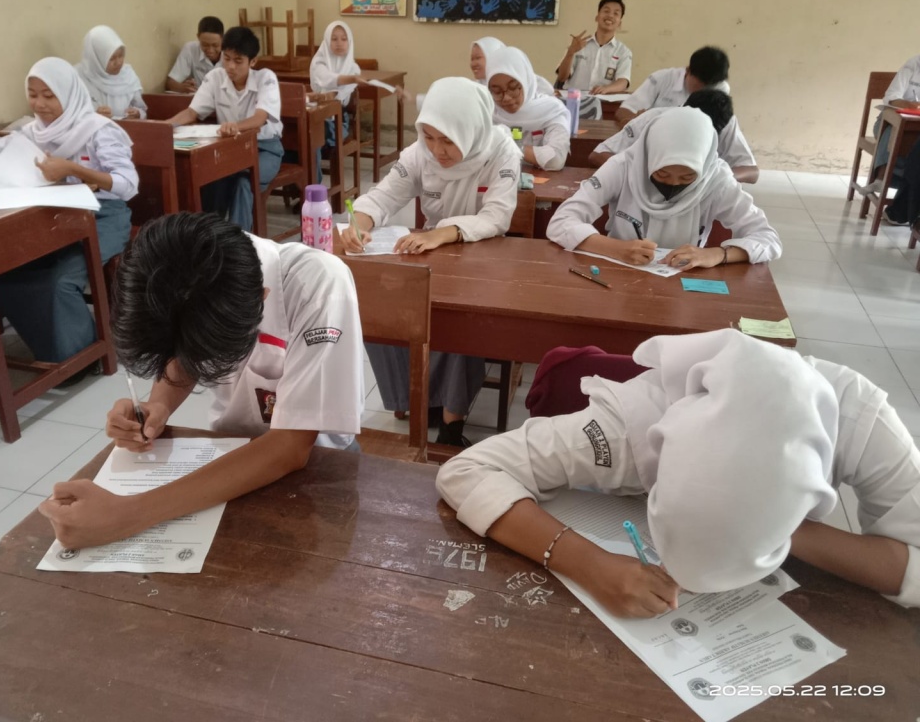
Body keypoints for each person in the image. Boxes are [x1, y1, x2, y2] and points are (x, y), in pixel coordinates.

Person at [436, 328, 920, 617]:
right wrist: (592, 565)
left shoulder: (866, 422)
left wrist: (769, 525)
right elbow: (467, 470)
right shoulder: (628, 432)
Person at [36, 213, 364, 549]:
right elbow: (184, 353)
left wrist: (128, 515)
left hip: (318, 469)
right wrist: (158, 405)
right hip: (229, 454)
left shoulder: (319, 286)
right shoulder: (187, 266)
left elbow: (292, 447)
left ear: (262, 298)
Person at [339, 77, 520, 446]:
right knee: (382, 301)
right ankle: (412, 397)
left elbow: (497, 217)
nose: (437, 150)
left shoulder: (501, 150)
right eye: (429, 136)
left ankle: (452, 423)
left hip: (480, 249)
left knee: (462, 316)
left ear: (470, 129)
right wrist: (359, 223)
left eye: (448, 140)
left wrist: (441, 233)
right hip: (431, 248)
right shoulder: (420, 152)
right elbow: (384, 195)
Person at [0, 58, 134, 371]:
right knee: (6, 276)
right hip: (52, 218)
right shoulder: (32, 132)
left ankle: (82, 359)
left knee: (58, 281)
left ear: (68, 93)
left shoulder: (99, 130)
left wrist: (73, 169)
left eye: (49, 96)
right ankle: (57, 352)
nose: (39, 104)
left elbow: (127, 184)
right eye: (33, 94)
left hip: (103, 217)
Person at [547, 107, 780, 270]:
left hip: (684, 278)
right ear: (649, 158)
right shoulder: (625, 166)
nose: (673, 184)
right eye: (662, 174)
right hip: (619, 271)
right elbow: (561, 221)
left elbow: (768, 239)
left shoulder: (716, 179)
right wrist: (616, 248)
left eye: (688, 176)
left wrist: (717, 254)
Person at [169, 27, 283, 230]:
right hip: (230, 150)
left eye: (238, 61)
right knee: (210, 179)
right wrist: (164, 127)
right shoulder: (215, 77)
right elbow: (192, 112)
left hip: (264, 149)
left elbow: (259, 118)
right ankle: (209, 235)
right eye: (226, 58)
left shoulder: (266, 78)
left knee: (243, 182)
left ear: (253, 61)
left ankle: (239, 241)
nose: (230, 66)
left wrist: (235, 127)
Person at [590, 89, 759, 184]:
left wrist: (714, 178)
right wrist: (641, 174)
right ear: (682, 111)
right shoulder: (651, 119)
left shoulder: (724, 121)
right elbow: (597, 154)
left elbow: (751, 172)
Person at [486, 46, 571, 172]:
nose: (506, 98)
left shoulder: (551, 111)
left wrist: (510, 147)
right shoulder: (488, 113)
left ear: (526, 81)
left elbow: (556, 159)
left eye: (513, 87)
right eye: (497, 91)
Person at [554, 0, 632, 121]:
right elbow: (562, 77)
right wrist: (570, 52)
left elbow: (623, 82)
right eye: (606, 11)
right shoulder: (579, 44)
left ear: (619, 23)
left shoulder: (623, 51)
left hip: (603, 104)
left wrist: (607, 89)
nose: (610, 16)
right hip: (572, 103)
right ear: (597, 17)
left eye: (616, 13)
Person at [616, 46, 730, 125]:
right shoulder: (662, 78)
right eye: (699, 86)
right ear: (688, 71)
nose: (702, 92)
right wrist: (635, 123)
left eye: (708, 88)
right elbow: (624, 110)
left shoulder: (721, 89)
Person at [864, 54, 920, 197]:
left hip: (915, 129)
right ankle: (881, 178)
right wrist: (908, 104)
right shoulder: (914, 64)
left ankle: (903, 188)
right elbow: (891, 96)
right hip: (887, 122)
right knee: (896, 129)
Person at [310, 20, 365, 147]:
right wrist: (352, 79)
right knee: (307, 133)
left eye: (344, 39)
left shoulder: (354, 69)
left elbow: (338, 95)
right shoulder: (318, 63)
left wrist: (328, 94)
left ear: (349, 41)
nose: (339, 43)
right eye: (334, 39)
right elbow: (325, 78)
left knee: (314, 134)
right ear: (326, 41)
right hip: (316, 116)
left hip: (338, 122)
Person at [76, 25, 147, 120]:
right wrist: (94, 116)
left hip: (126, 128)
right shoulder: (78, 78)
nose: (118, 63)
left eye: (121, 56)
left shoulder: (128, 76)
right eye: (111, 58)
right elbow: (71, 114)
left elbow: (141, 109)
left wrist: (138, 114)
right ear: (97, 58)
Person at [165, 16, 224, 93]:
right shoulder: (190, 49)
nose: (210, 50)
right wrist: (183, 88)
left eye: (215, 45)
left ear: (223, 39)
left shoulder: (231, 52)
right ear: (198, 37)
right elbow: (170, 83)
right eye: (205, 45)